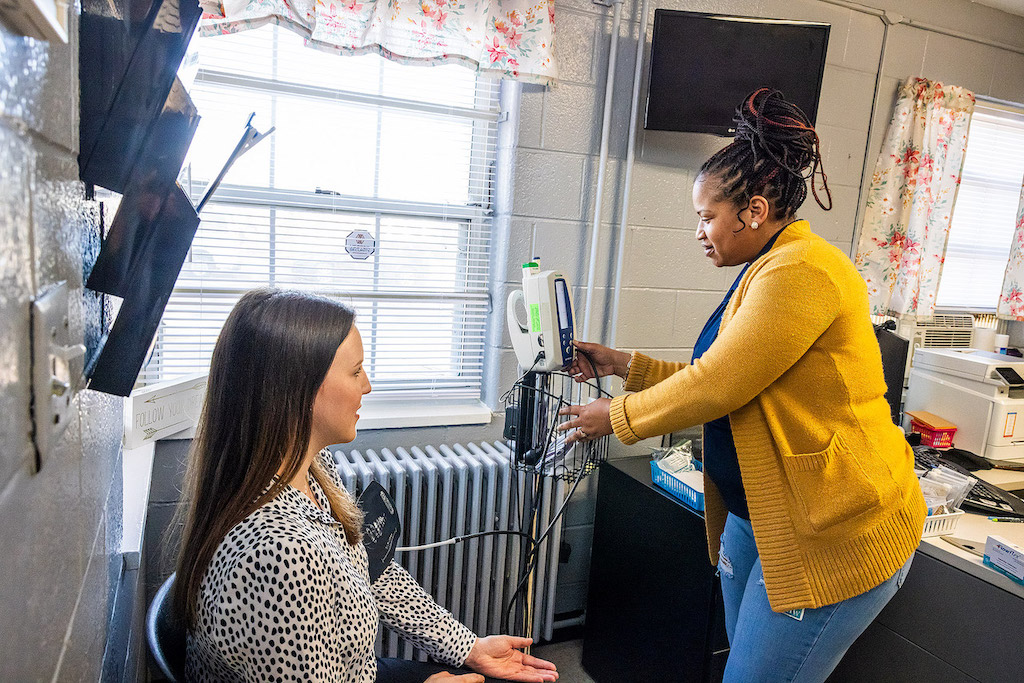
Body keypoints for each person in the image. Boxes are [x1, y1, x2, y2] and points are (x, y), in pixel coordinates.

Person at [559, 89, 926, 682]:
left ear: (753, 210)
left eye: (707, 217)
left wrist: (617, 417)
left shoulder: (802, 269)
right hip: (759, 517)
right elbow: (735, 380)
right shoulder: (766, 268)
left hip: (834, 530)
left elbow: (717, 384)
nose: (699, 232)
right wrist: (621, 363)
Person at [172, 288, 559, 683]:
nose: (368, 385)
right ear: (297, 390)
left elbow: (369, 569)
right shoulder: (279, 553)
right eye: (356, 371)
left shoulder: (310, 468)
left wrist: (468, 647)